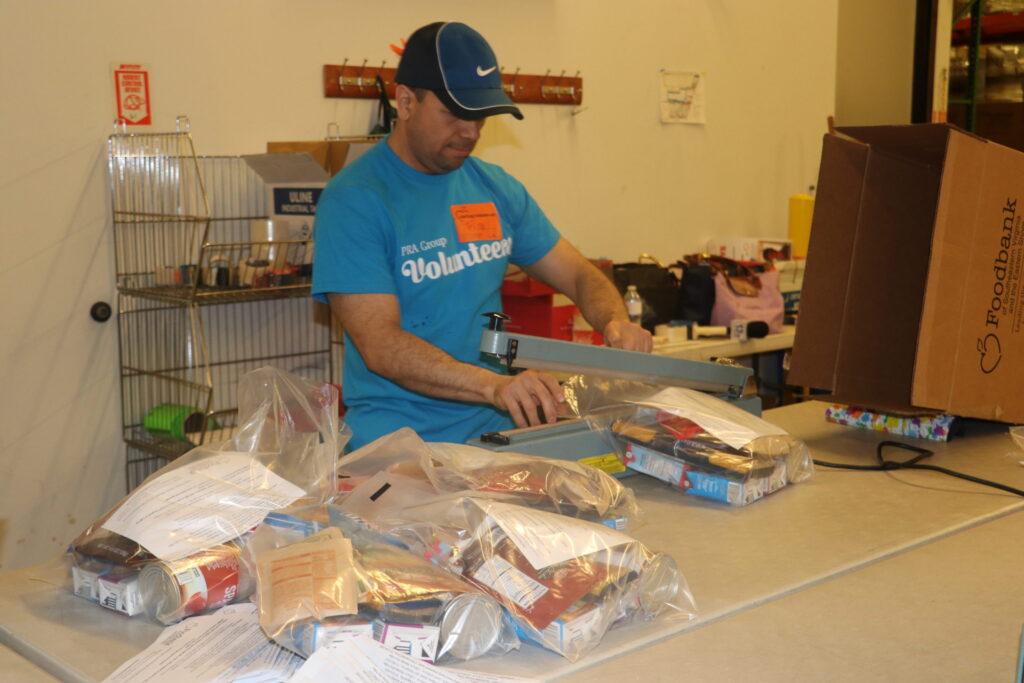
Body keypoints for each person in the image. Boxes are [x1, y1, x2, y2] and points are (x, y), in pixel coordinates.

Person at [312, 21, 651, 450]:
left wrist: (614, 320)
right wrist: (493, 386)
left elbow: (580, 274)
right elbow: (381, 344)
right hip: (398, 447)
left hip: (493, 437)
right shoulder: (356, 200)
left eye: (479, 116)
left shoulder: (494, 188)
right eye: (453, 114)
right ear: (405, 101)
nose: (470, 133)